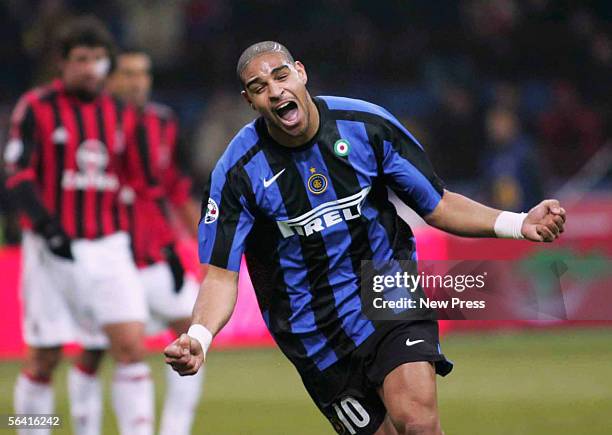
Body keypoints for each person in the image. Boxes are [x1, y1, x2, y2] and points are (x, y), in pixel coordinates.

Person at [164, 41, 566, 435]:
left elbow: (438, 204)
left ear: (301, 73)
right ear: (250, 101)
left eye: (281, 75)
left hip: (385, 286)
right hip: (311, 327)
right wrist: (199, 337)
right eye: (259, 87)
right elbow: (220, 276)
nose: (275, 91)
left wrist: (518, 223)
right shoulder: (238, 172)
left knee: (419, 422)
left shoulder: (366, 127)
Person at [4, 17, 157, 435]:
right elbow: (16, 173)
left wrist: (148, 241)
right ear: (62, 63)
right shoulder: (35, 107)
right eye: (81, 59)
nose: (91, 68)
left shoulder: (121, 114)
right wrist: (46, 225)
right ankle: (30, 429)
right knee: (43, 357)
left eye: (98, 59)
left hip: (109, 245)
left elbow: (137, 184)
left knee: (129, 346)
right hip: (50, 246)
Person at [70, 48, 204, 435]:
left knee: (193, 337)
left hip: (156, 256)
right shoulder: (89, 124)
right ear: (109, 80)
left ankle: (174, 431)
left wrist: (204, 246)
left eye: (143, 73)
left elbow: (175, 191)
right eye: (127, 73)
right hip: (106, 256)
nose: (136, 82)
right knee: (95, 353)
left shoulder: (163, 123)